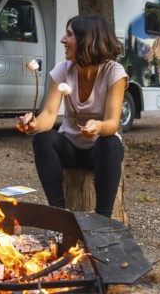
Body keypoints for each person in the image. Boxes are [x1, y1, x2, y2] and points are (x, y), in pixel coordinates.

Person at [17, 15, 128, 218]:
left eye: (69, 35)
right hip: (69, 149)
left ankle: (102, 220)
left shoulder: (114, 72)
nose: (63, 40)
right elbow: (49, 115)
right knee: (42, 138)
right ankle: (59, 216)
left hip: (99, 152)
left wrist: (99, 126)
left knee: (110, 143)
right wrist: (33, 124)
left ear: (87, 40)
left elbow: (113, 122)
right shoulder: (62, 70)